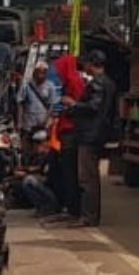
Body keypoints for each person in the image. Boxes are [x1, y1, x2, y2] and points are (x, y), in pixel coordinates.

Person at [63, 49, 116, 228]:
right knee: (91, 176)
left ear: (92, 64)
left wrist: (74, 104)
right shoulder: (109, 83)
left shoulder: (98, 83)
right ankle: (90, 214)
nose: (83, 66)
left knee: (86, 178)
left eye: (85, 63)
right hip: (98, 133)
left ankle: (89, 216)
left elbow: (93, 107)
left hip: (90, 135)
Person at [41, 53, 85, 226]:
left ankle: (73, 209)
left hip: (70, 134)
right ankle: (68, 207)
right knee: (64, 173)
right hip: (65, 133)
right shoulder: (69, 82)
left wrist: (68, 105)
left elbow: (78, 108)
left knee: (70, 173)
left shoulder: (74, 83)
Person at [17, 61, 58, 145]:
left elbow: (51, 105)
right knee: (26, 145)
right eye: (39, 72)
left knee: (42, 146)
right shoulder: (26, 85)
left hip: (43, 123)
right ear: (35, 72)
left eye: (43, 72)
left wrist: (46, 120)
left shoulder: (50, 86)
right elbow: (20, 103)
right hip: (28, 123)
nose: (41, 75)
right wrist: (19, 121)